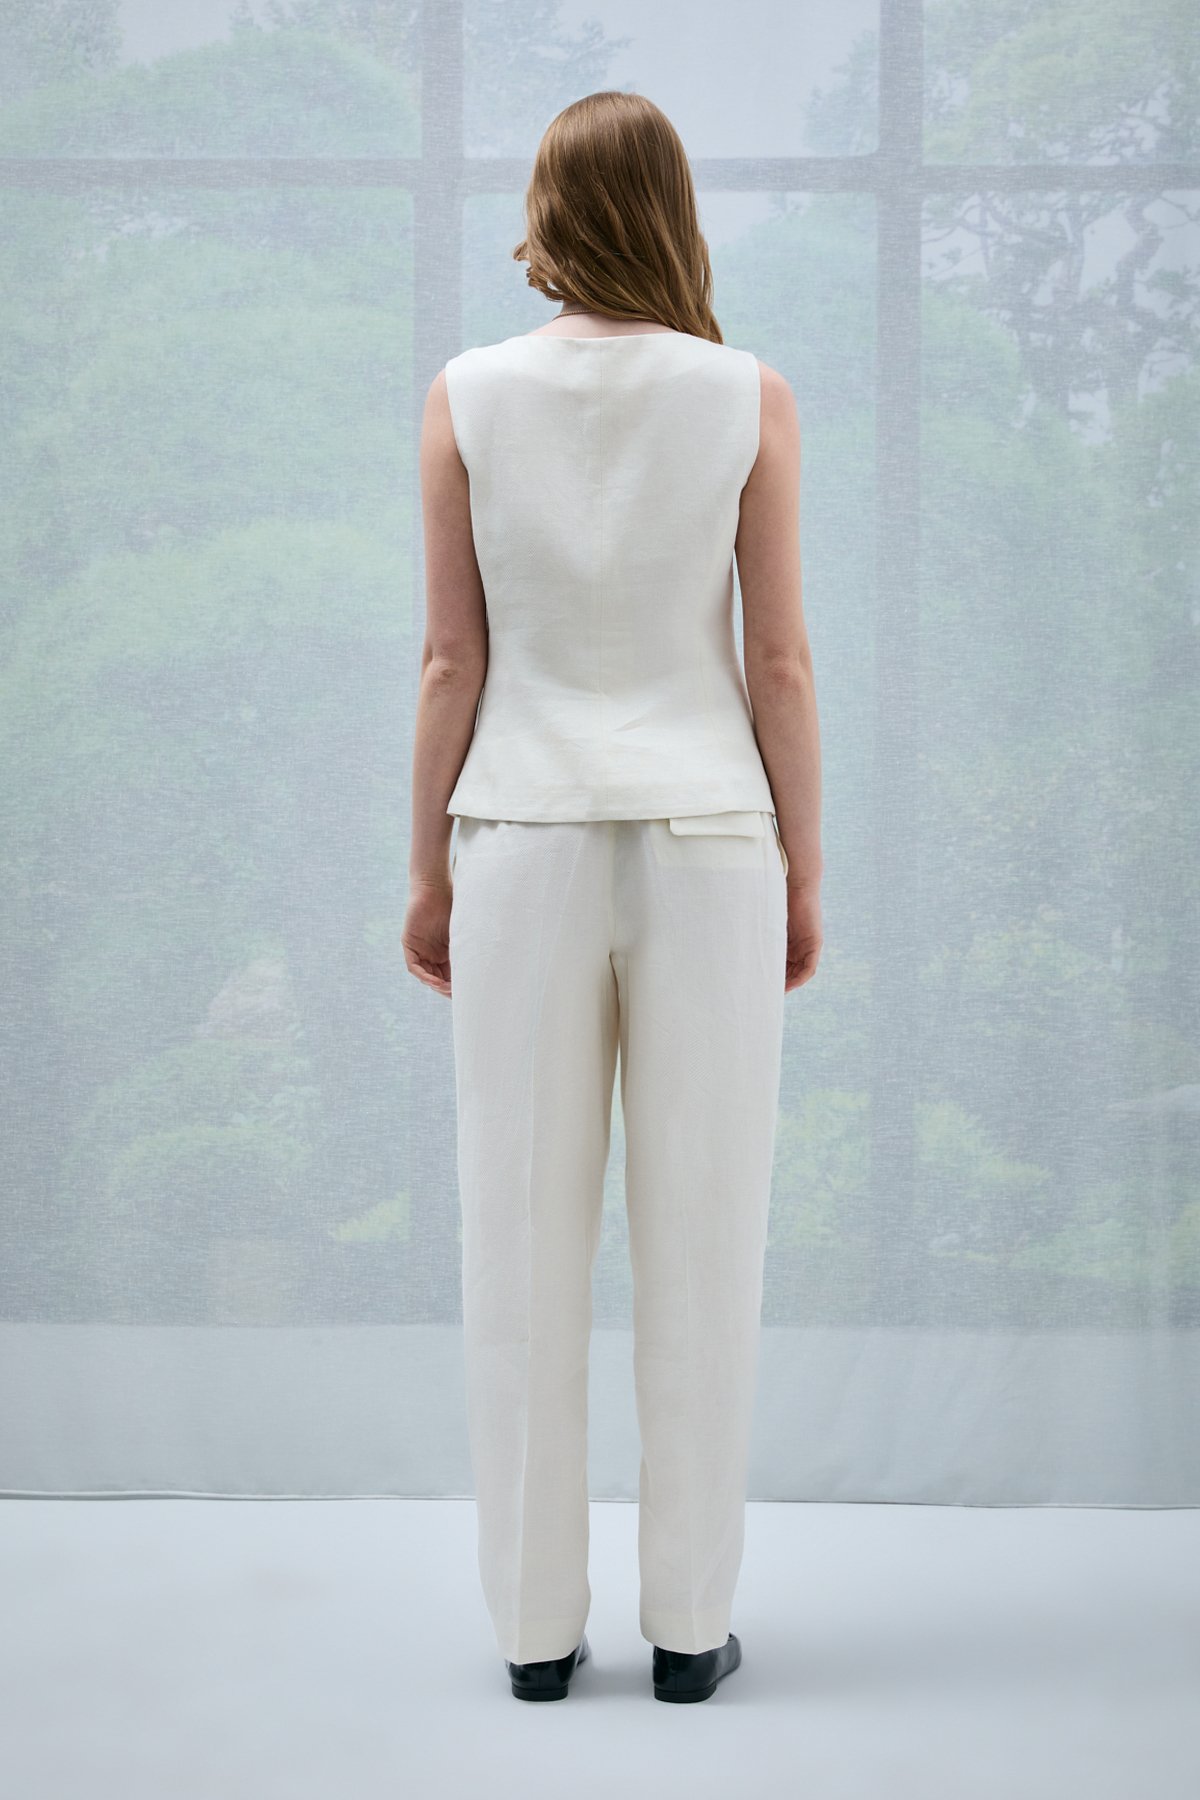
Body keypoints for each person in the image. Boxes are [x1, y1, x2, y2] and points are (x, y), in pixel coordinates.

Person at [403, 89, 822, 1705]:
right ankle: (692, 1630)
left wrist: (425, 870)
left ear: (547, 212)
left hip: (520, 830)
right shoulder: (747, 395)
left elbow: (451, 659)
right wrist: (803, 866)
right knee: (705, 1233)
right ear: (674, 211)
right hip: (712, 834)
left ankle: (531, 1633)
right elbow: (777, 660)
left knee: (518, 1235)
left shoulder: (464, 396)